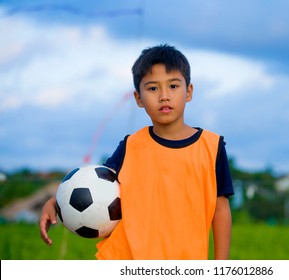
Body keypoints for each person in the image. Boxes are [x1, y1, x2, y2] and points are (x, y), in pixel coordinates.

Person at [40, 44, 234, 260]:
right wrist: (55, 204)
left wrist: (220, 266)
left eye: (173, 86)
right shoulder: (130, 146)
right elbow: (98, 187)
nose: (164, 96)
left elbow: (221, 210)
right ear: (138, 98)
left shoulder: (212, 147)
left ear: (188, 92)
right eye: (153, 88)